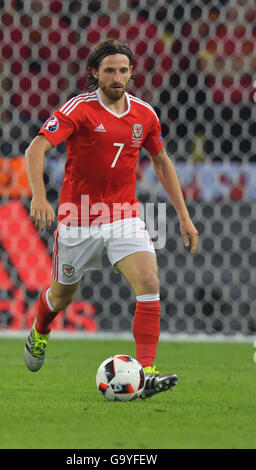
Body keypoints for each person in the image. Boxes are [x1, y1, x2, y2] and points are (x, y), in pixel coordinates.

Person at [24, 39, 198, 399]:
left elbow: (162, 162)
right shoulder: (79, 110)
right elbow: (36, 147)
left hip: (124, 215)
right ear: (94, 73)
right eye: (109, 71)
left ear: (132, 72)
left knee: (149, 282)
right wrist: (39, 196)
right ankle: (40, 329)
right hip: (78, 219)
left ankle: (146, 373)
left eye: (123, 70)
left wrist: (184, 216)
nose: (117, 77)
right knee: (60, 297)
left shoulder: (145, 115)